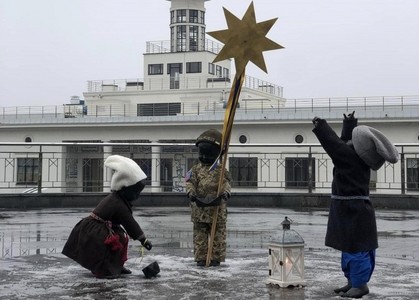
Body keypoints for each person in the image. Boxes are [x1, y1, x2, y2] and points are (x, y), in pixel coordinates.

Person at [312, 112, 398, 298]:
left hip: (351, 211)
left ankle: (359, 285)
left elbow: (335, 146)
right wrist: (349, 123)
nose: (350, 141)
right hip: (358, 209)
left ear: (358, 147)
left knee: (353, 249)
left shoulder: (349, 159)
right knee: (355, 248)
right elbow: (345, 145)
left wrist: (321, 126)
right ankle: (354, 282)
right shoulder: (360, 158)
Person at [62, 155, 153, 279]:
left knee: (121, 238)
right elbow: (130, 223)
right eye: (135, 192)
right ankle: (104, 269)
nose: (137, 196)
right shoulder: (118, 203)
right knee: (107, 246)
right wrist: (143, 240)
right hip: (95, 231)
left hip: (104, 227)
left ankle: (117, 266)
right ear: (124, 188)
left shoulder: (119, 198)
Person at [185, 129, 231, 267]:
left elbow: (226, 184)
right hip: (199, 209)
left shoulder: (222, 170)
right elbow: (189, 182)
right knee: (200, 236)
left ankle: (215, 258)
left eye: (208, 155)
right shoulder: (194, 170)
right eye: (202, 154)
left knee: (218, 236)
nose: (204, 157)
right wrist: (191, 193)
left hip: (216, 208)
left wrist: (225, 193)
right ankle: (201, 257)